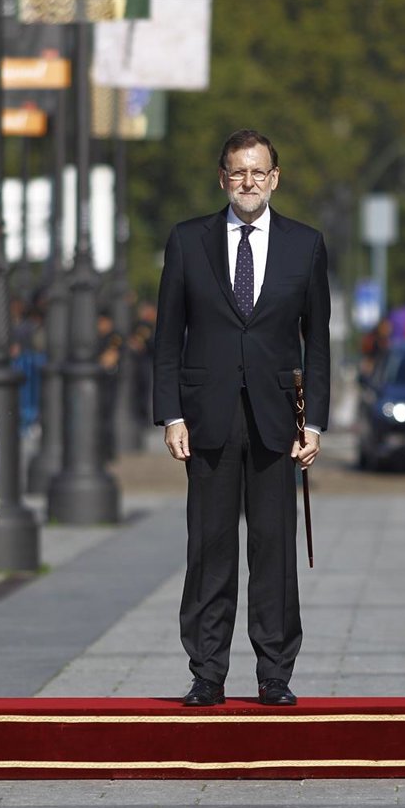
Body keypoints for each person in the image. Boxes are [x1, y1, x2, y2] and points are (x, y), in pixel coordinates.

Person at [153, 128, 330, 708]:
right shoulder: (188, 241)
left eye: (258, 172)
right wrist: (170, 414)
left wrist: (316, 423)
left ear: (274, 179)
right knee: (209, 547)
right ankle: (207, 673)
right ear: (222, 179)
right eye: (237, 172)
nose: (248, 182)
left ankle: (274, 674)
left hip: (278, 421)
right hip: (207, 417)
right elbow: (167, 338)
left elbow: (319, 342)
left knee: (274, 551)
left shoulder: (305, 245)